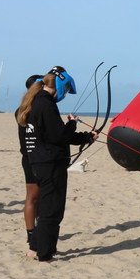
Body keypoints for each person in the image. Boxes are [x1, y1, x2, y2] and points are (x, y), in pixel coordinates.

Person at [15, 67, 97, 262]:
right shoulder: (45, 104)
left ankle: (38, 248)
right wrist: (80, 131)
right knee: (52, 210)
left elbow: (52, 134)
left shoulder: (35, 101)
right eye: (67, 88)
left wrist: (84, 135)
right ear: (60, 85)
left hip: (40, 162)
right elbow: (60, 136)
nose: (66, 93)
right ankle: (42, 252)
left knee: (46, 208)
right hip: (49, 164)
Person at [15, 74, 44, 254]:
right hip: (35, 159)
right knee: (34, 197)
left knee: (34, 197)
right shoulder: (30, 109)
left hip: (29, 158)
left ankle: (34, 233)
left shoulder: (23, 108)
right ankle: (32, 234)